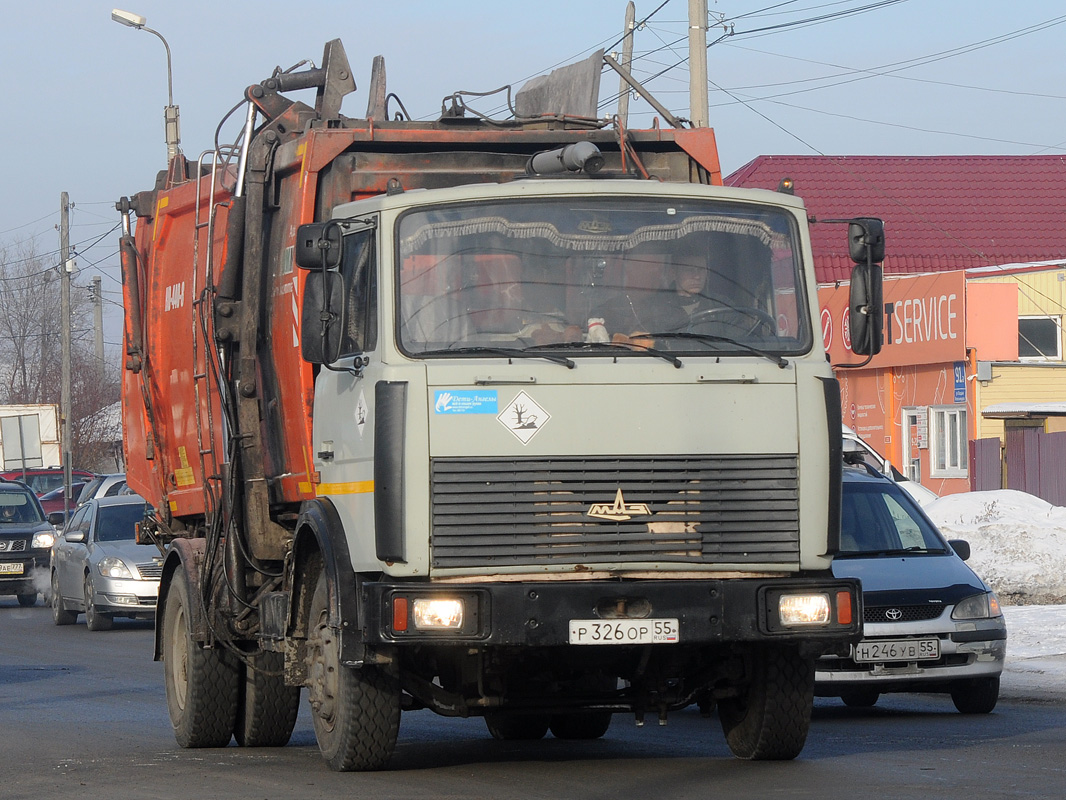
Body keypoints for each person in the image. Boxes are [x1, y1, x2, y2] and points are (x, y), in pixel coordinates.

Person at [593, 253, 715, 342]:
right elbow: (637, 341)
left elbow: (732, 347)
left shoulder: (722, 307)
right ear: (673, 272)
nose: (697, 276)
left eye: (701, 270)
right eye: (690, 270)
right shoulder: (652, 307)